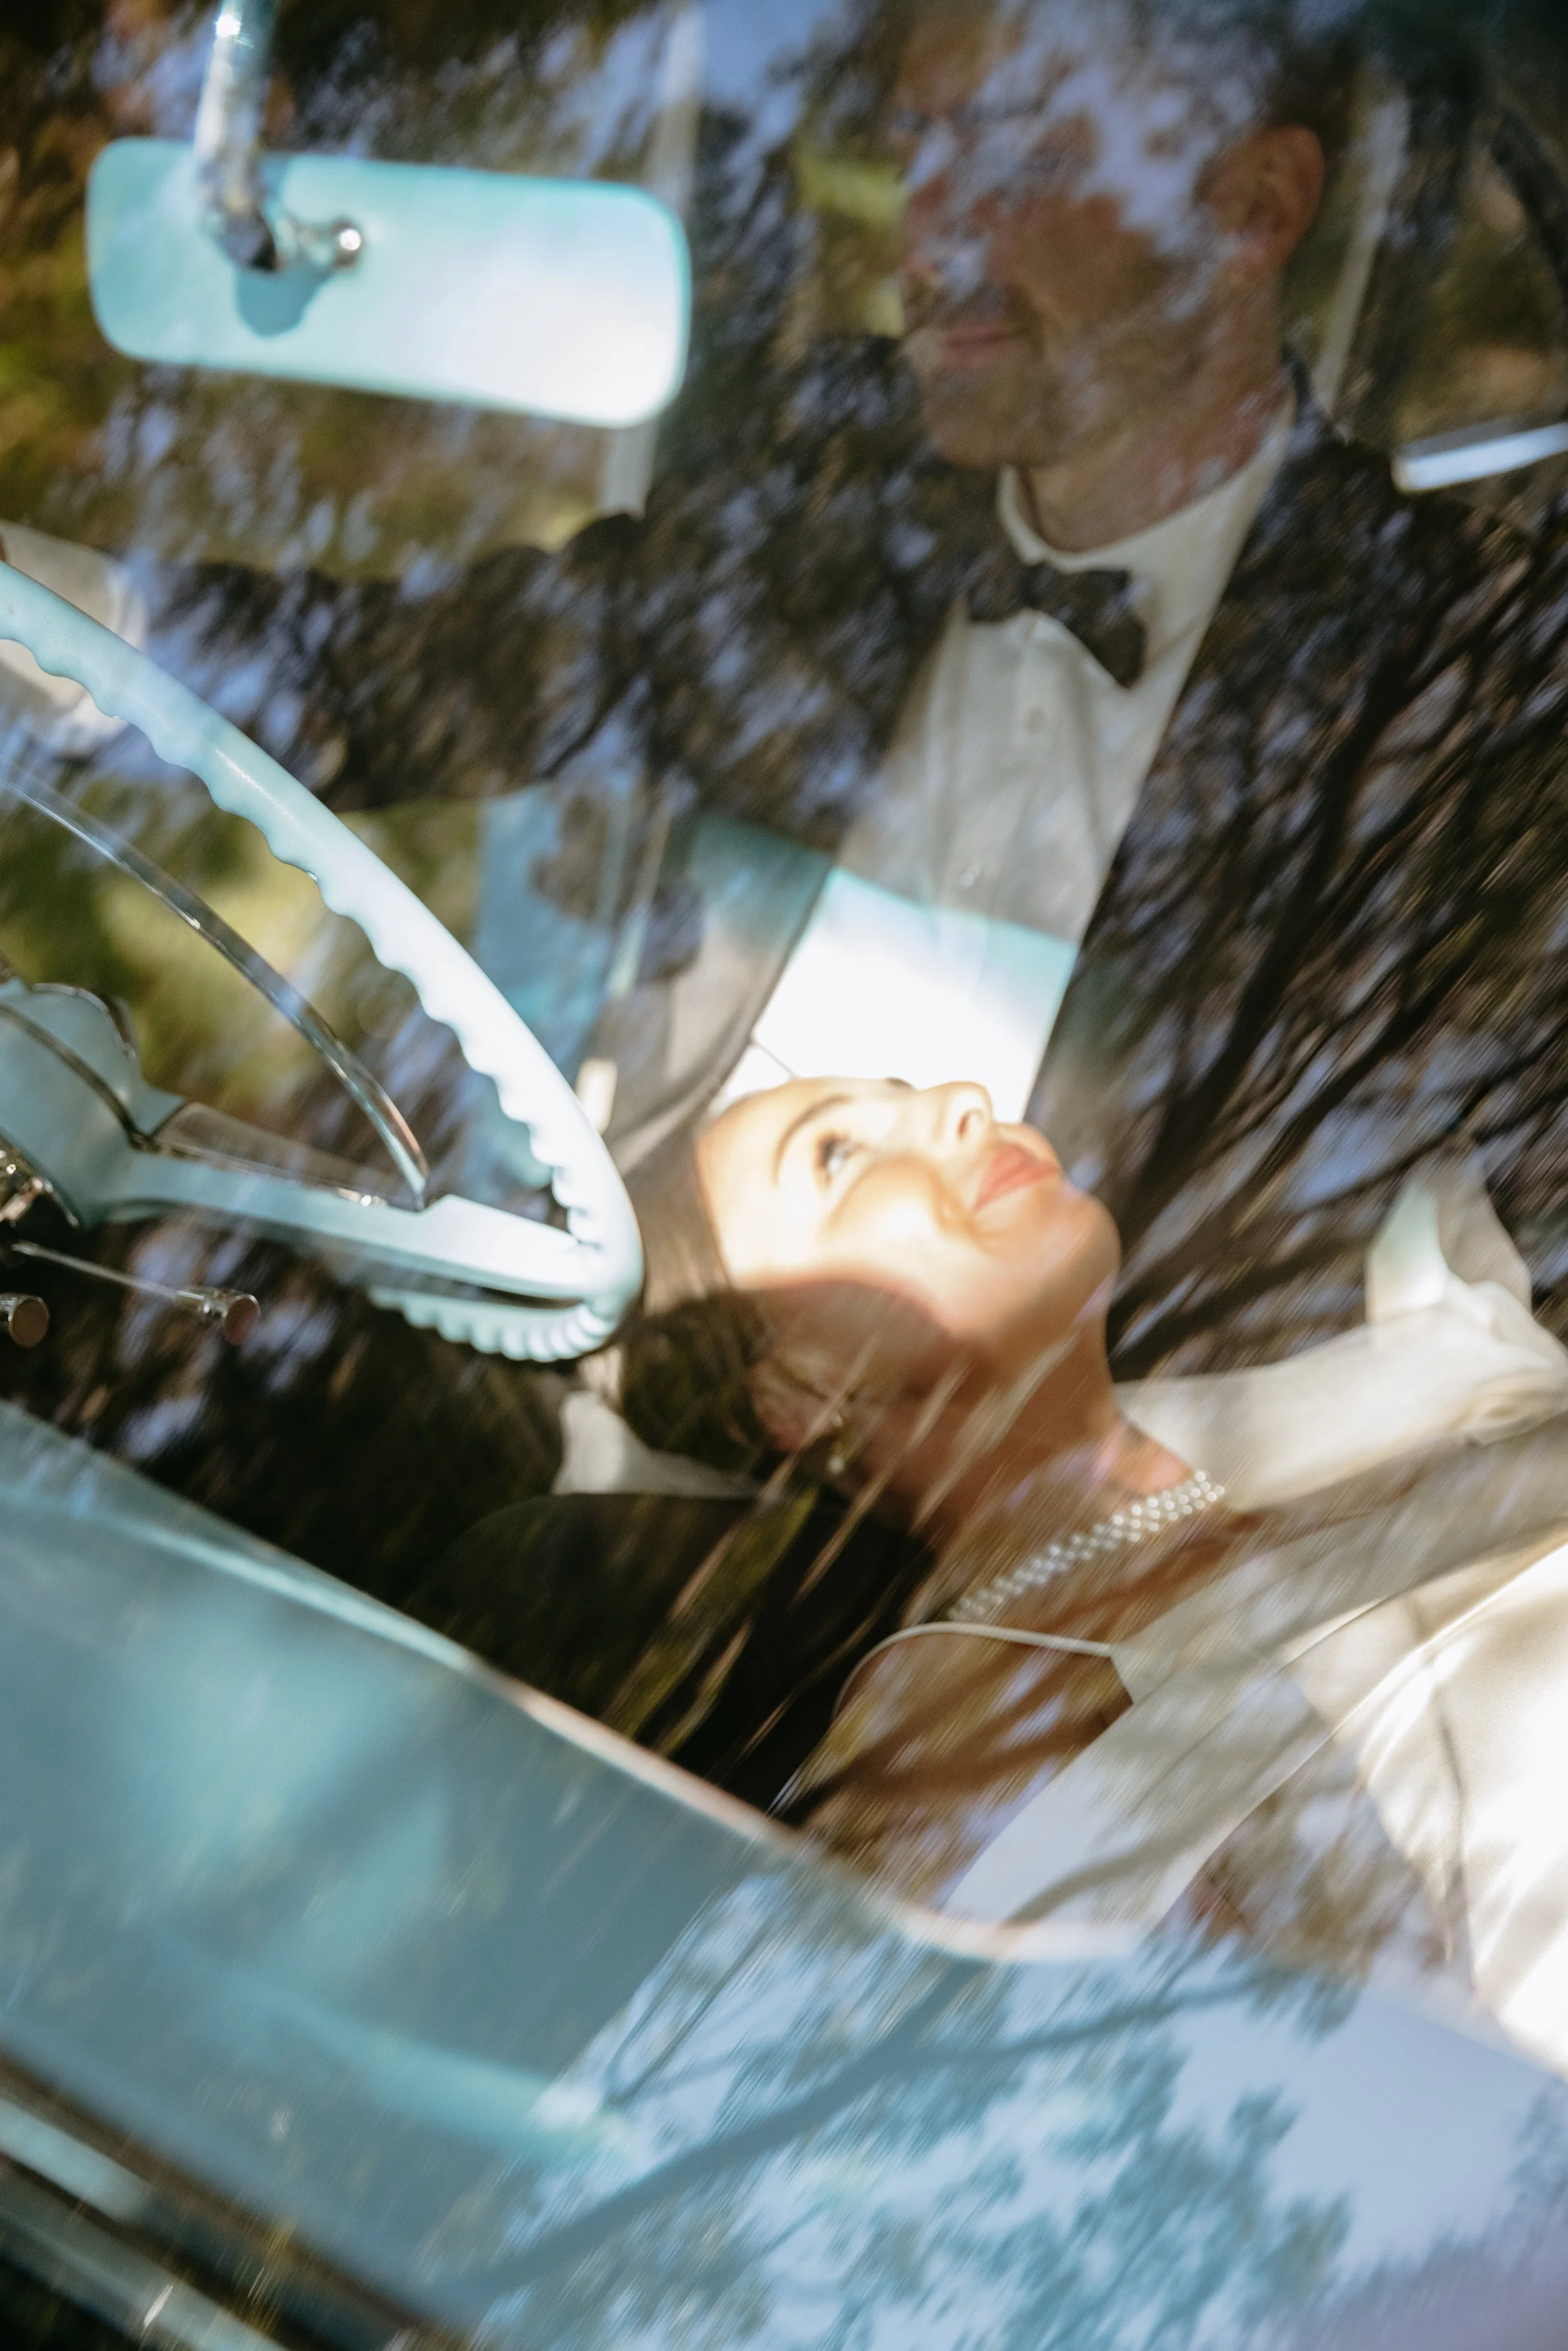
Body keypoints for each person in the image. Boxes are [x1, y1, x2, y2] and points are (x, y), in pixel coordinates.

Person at [568, 0, 1568, 1395]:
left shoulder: (1469, 689)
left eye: (1020, 158)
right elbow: (416, 674)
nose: (929, 238)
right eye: (916, 150)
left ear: (1251, 206)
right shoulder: (806, 493)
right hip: (595, 1437)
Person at [598, 1072, 1568, 2074]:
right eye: (837, 1154)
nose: (962, 1099)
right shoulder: (942, 1777)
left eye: (901, 1090)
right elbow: (1351, 2072)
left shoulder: (1381, 1404)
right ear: (800, 1394)